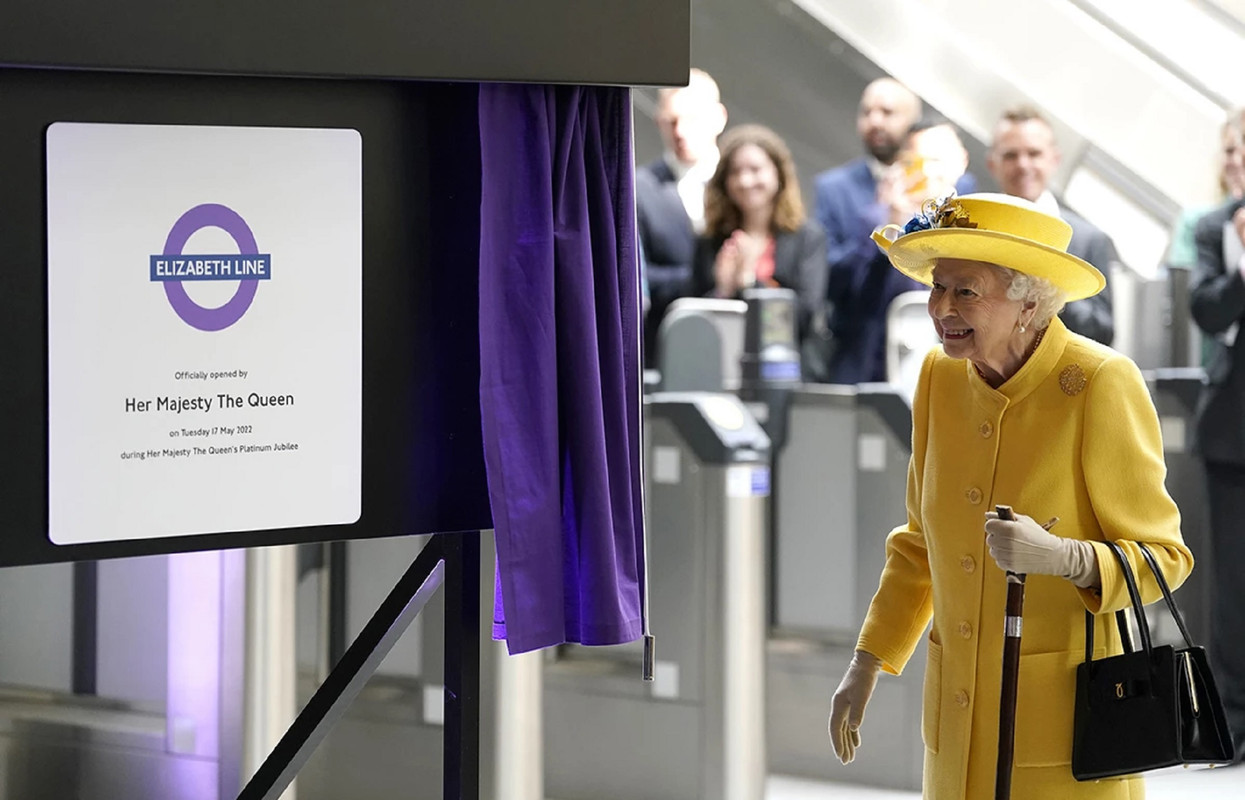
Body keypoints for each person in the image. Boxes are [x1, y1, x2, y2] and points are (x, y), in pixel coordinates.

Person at [828, 192, 1193, 798]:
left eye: (965, 291)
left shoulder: (1099, 383)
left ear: (1030, 300)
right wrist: (867, 662)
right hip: (956, 729)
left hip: (1064, 735)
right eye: (938, 286)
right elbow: (919, 547)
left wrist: (1066, 558)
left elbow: (1167, 558)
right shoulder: (938, 377)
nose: (941, 307)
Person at [822, 117, 973, 383]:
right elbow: (844, 292)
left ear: (961, 162)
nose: (927, 173)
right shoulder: (876, 221)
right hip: (872, 372)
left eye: (937, 162)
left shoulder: (978, 226)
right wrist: (889, 224)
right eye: (917, 162)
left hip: (950, 373)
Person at [1189, 159, 1245, 761]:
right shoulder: (1214, 229)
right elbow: (1208, 311)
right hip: (1235, 432)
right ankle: (1232, 721)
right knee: (1233, 590)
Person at [690, 124, 827, 352]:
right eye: (735, 172)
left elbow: (804, 317)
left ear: (778, 174)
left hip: (787, 367)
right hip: (719, 362)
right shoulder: (710, 240)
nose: (745, 181)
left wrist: (749, 283)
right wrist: (723, 290)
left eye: (755, 169)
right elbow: (693, 317)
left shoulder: (807, 239)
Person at [987, 106, 1117, 345]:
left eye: (1034, 153)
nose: (1023, 164)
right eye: (1010, 155)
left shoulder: (1089, 240)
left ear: (1054, 160)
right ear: (992, 164)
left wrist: (1048, 279)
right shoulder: (975, 234)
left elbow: (1102, 332)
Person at [635, 68, 728, 366]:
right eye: (671, 121)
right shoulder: (637, 188)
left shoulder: (744, 182)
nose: (680, 132)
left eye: (691, 119)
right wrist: (707, 279)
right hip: (662, 349)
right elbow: (636, 275)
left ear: (718, 118)